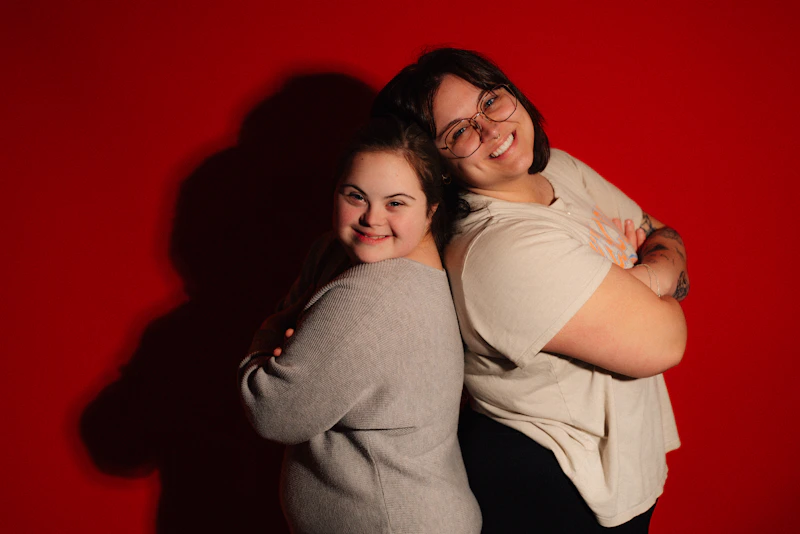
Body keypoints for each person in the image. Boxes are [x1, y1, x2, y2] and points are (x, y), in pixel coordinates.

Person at [372, 48, 690, 533]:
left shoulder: (559, 170)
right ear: (434, 164)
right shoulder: (499, 249)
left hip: (620, 468)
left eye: (491, 101)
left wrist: (648, 279)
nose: (491, 129)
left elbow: (667, 233)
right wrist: (651, 268)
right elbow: (665, 340)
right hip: (557, 487)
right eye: (459, 131)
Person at [238, 116, 482, 534]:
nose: (371, 218)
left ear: (431, 211)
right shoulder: (341, 254)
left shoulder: (369, 297)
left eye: (396, 203)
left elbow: (272, 411)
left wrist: (269, 338)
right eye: (355, 196)